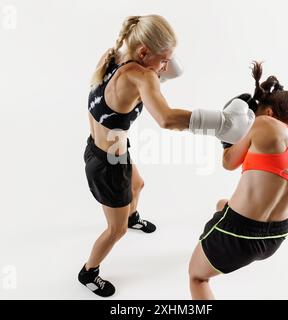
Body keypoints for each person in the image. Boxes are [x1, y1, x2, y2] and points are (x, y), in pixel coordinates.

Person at [79, 14, 255, 297]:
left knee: (139, 185)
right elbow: (166, 119)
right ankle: (89, 271)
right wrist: (222, 123)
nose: (165, 67)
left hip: (103, 150)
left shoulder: (113, 56)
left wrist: (161, 59)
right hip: (107, 166)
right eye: (163, 60)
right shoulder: (142, 76)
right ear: (144, 52)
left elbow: (158, 72)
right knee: (116, 230)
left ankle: (132, 214)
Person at [188, 61, 288, 300]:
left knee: (197, 277)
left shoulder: (263, 123)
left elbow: (229, 162)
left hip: (240, 235)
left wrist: (227, 134)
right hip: (275, 237)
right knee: (221, 204)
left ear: (267, 112)